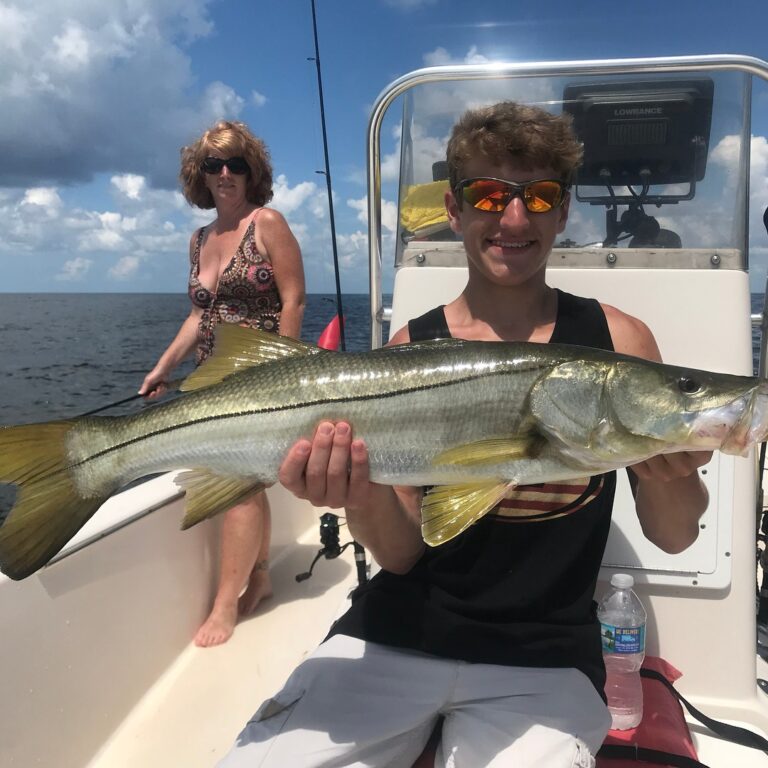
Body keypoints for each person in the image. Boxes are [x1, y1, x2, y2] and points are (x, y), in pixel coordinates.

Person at [217, 102, 710, 766]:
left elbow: (676, 536)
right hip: (397, 631)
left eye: (539, 196)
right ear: (454, 209)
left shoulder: (618, 343)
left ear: (563, 213)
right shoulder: (409, 347)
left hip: (545, 659)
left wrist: (671, 472)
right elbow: (400, 557)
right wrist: (356, 493)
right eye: (488, 194)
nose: (514, 218)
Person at [140, 120, 305, 648]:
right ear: (200, 176)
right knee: (245, 479)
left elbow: (294, 299)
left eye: (237, 163)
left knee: (237, 483)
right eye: (215, 165)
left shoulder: (268, 224)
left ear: (252, 171)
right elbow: (198, 315)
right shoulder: (200, 239)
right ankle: (259, 577)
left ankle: (225, 604)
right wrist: (164, 367)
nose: (226, 173)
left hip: (260, 377)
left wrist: (279, 373)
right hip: (212, 379)